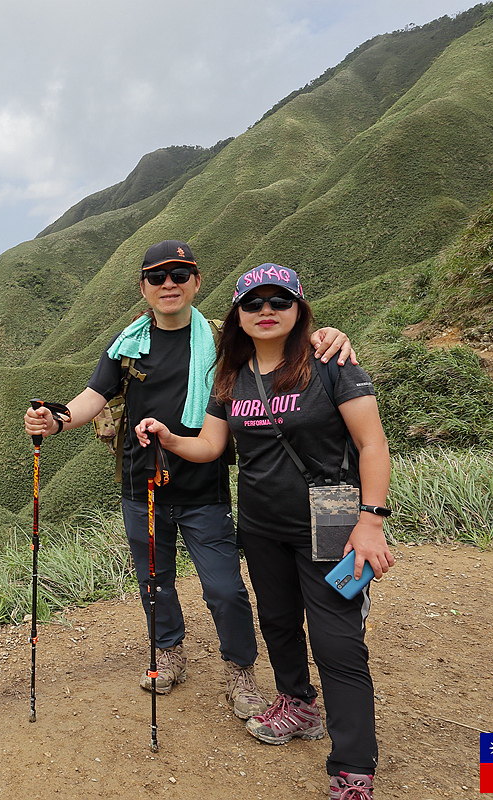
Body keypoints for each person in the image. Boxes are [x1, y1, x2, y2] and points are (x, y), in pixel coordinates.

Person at [23, 241, 355, 722]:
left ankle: (240, 671)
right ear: (143, 288)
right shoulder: (127, 347)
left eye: (180, 274)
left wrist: (330, 335)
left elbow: (284, 345)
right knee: (153, 582)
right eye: (157, 277)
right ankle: (169, 654)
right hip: (142, 487)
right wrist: (56, 421)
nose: (169, 284)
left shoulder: (225, 341)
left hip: (205, 485)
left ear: (197, 282)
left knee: (224, 588)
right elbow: (94, 396)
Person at [134, 263, 392, 799]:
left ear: (299, 311)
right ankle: (298, 705)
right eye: (253, 304)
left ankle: (352, 767)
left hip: (331, 524)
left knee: (337, 642)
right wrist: (168, 438)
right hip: (259, 526)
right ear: (238, 315)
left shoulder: (329, 363)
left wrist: (370, 522)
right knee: (276, 622)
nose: (266, 311)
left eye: (280, 302)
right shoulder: (231, 375)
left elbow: (372, 444)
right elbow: (209, 446)